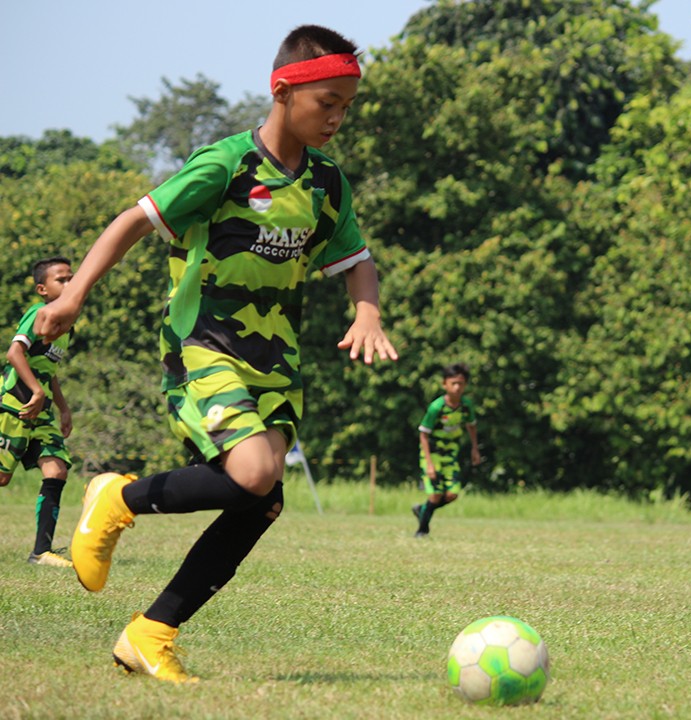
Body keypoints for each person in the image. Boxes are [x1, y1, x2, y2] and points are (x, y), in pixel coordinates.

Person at [34, 25, 398, 684]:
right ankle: (118, 497)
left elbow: (358, 262)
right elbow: (133, 222)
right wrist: (75, 296)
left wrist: (366, 311)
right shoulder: (227, 165)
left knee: (260, 501)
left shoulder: (326, 184)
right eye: (328, 103)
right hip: (206, 347)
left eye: (348, 104)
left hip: (275, 363)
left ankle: (151, 633)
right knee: (257, 472)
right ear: (284, 91)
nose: (339, 117)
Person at [0, 256, 75, 568]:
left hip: (39, 413)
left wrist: (63, 407)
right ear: (43, 289)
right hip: (14, 406)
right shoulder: (39, 313)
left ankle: (41, 553)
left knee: (57, 469)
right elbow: (14, 352)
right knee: (2, 479)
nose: (70, 284)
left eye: (72, 278)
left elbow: (47, 368)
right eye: (62, 279)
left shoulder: (66, 323)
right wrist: (36, 391)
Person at [412, 363, 481, 538]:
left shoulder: (466, 406)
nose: (457, 387)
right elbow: (423, 435)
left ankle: (422, 510)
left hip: (451, 453)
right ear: (445, 384)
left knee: (452, 494)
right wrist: (428, 463)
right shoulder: (436, 407)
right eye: (453, 383)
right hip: (432, 454)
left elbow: (471, 426)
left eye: (461, 383)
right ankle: (422, 530)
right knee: (435, 495)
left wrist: (475, 448)